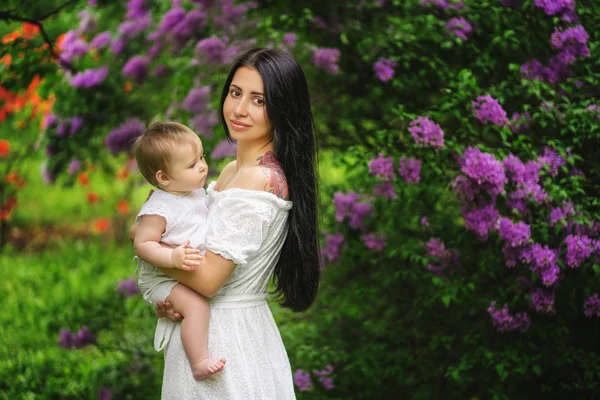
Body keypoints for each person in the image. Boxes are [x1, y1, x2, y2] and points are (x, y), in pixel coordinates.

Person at [132, 47, 320, 399]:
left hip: (228, 342)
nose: (239, 109)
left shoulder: (258, 178)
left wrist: (153, 251)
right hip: (209, 332)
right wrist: (172, 294)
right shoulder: (233, 172)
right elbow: (202, 248)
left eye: (258, 100)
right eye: (235, 93)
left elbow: (208, 279)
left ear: (282, 108)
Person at [132, 121, 226, 381]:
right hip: (160, 277)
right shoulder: (158, 207)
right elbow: (142, 244)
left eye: (202, 158)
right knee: (197, 307)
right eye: (192, 164)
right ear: (164, 177)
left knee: (195, 305)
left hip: (180, 271)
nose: (203, 166)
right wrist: (172, 257)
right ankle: (198, 362)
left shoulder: (192, 191)